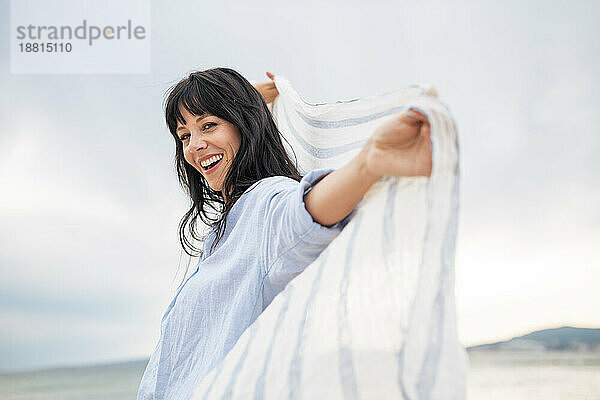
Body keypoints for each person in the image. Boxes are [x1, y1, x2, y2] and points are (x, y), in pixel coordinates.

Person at [137, 67, 432, 400]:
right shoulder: (224, 230)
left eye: (208, 125)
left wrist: (368, 163)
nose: (194, 146)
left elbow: (306, 213)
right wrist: (246, 100)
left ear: (244, 125)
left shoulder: (266, 203)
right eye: (184, 135)